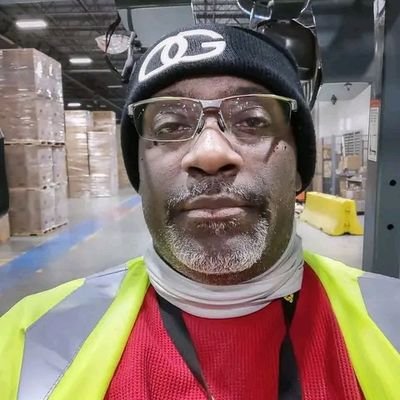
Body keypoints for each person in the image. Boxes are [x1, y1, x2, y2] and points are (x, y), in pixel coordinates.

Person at [0, 24, 399, 400]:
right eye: (171, 126)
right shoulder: (25, 338)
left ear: (299, 167)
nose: (210, 154)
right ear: (139, 169)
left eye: (252, 120)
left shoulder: (392, 322)